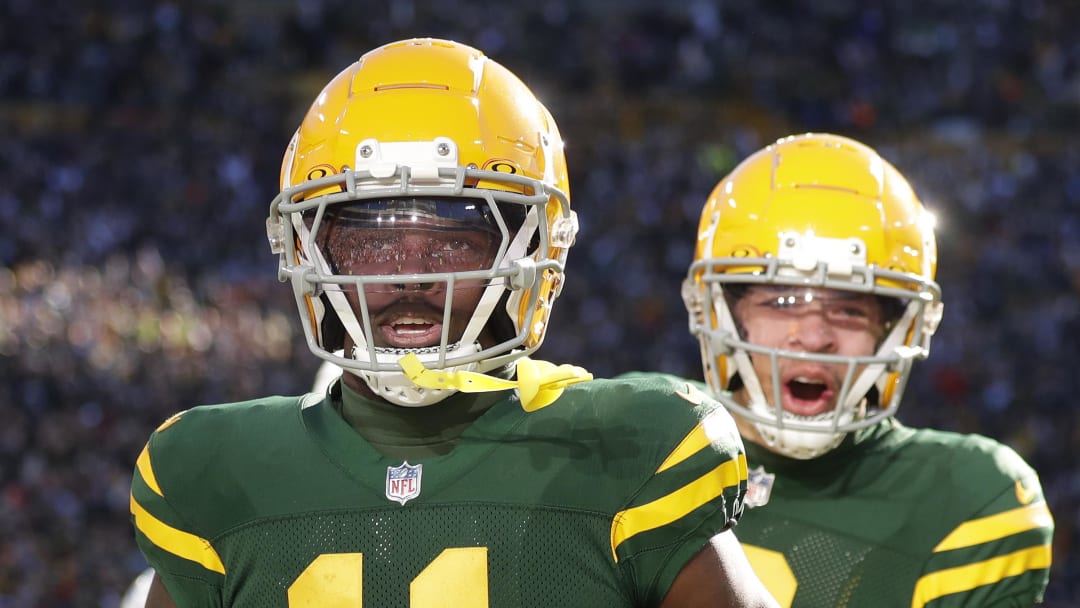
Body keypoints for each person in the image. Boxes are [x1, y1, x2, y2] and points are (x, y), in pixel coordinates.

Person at [129, 38, 778, 607]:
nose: (412, 276)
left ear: (534, 253)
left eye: (453, 241)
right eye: (372, 241)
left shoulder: (634, 451)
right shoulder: (215, 472)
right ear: (308, 252)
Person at [680, 132, 1054, 606]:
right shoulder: (647, 437)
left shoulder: (965, 500)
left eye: (850, 310)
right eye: (782, 300)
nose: (814, 335)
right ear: (722, 312)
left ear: (894, 328)